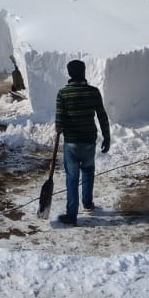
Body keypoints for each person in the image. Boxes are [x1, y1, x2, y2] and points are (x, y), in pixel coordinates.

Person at [53, 58, 110, 225]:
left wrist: (60, 127)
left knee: (72, 178)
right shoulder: (93, 92)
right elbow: (102, 116)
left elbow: (59, 123)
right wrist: (107, 136)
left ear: (69, 73)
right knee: (88, 171)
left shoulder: (63, 94)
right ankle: (88, 202)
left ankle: (72, 214)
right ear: (84, 73)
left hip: (71, 143)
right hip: (89, 142)